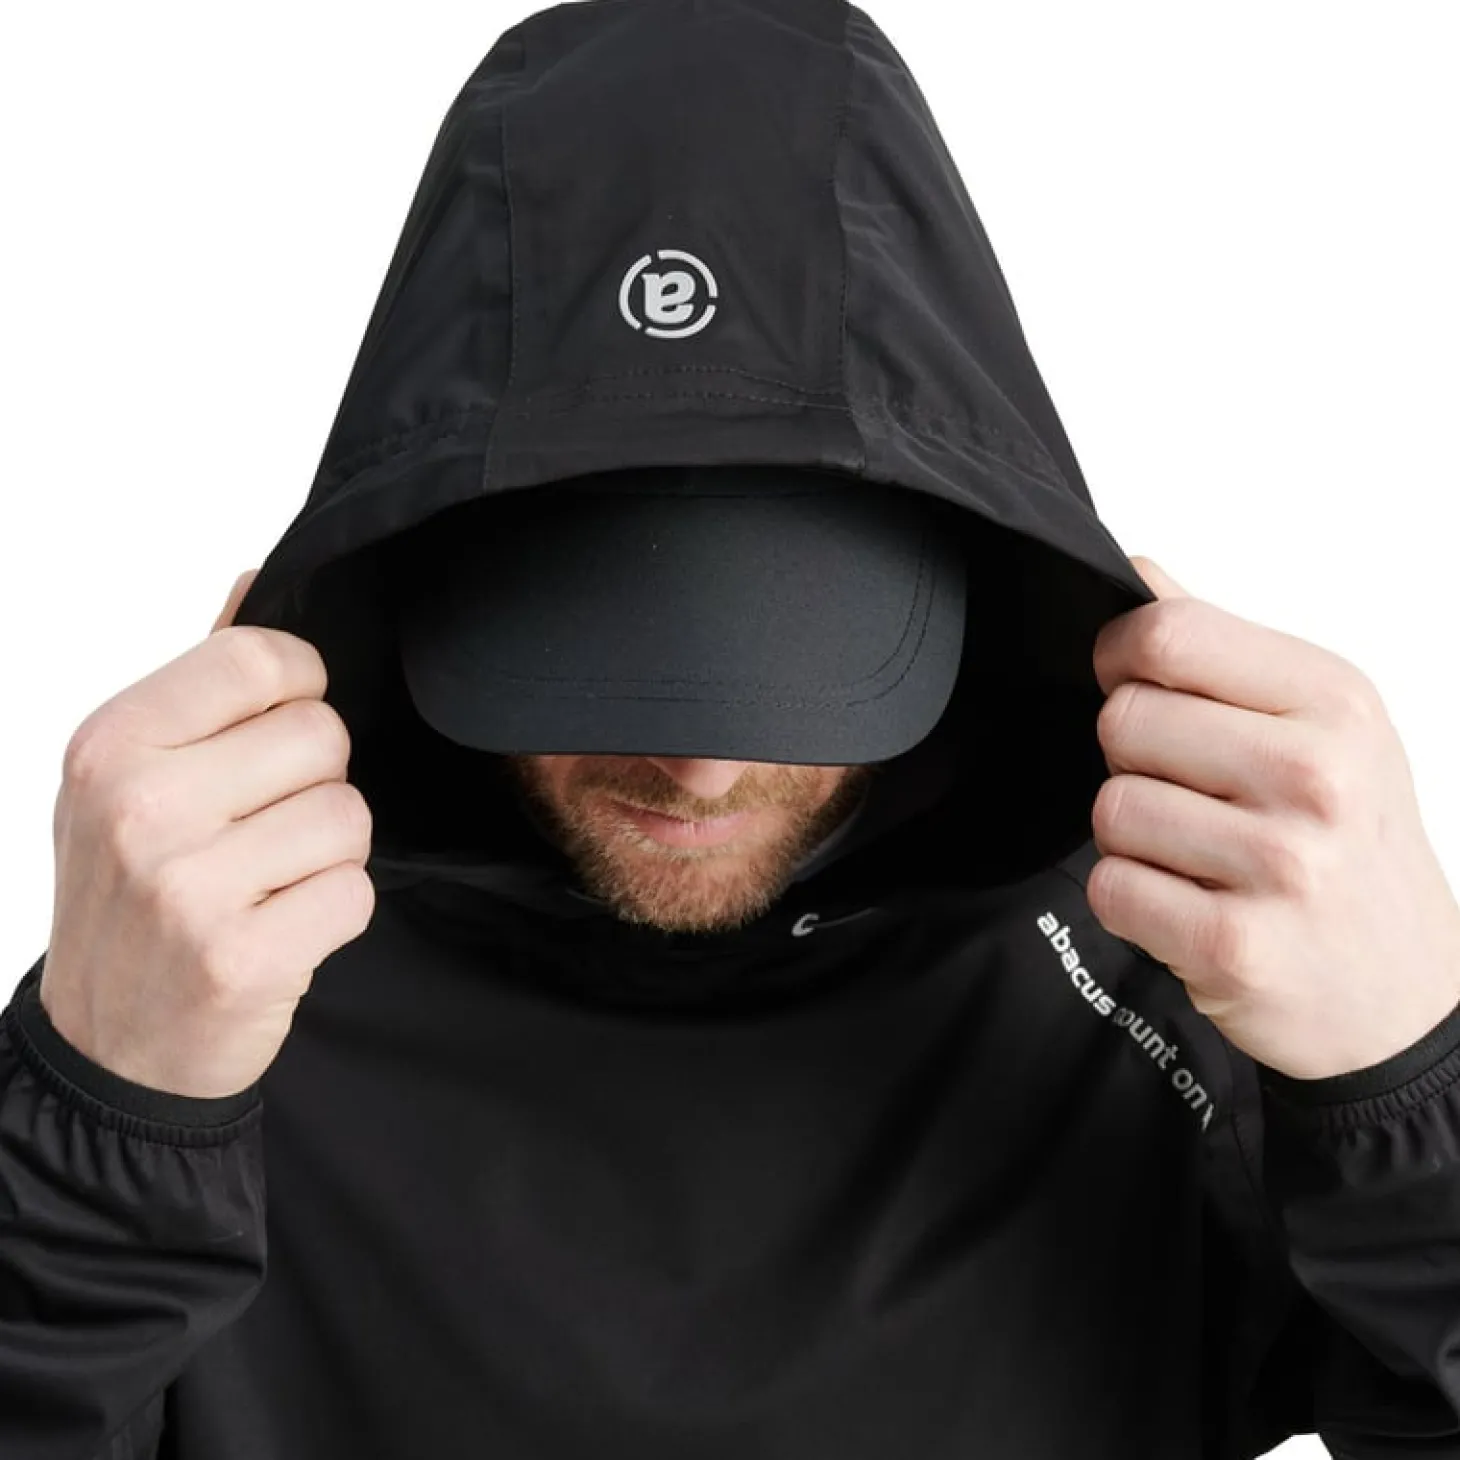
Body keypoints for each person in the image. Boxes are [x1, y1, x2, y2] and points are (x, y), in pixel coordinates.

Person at [4, 1, 1459, 1457]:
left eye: (802, 658)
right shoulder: (205, 995)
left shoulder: (1191, 979)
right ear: (411, 578)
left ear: (974, 572)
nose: (701, 766)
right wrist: (100, 1129)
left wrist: (1414, 1081)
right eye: (597, 652)